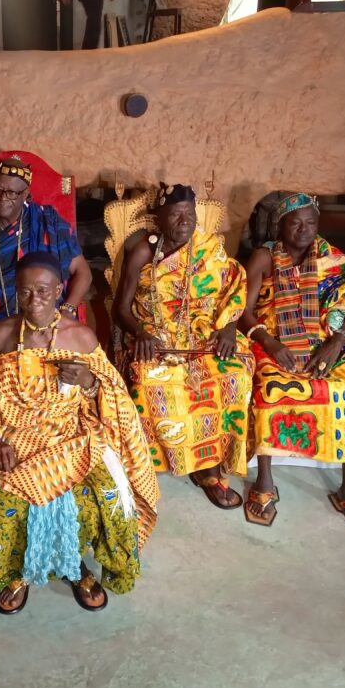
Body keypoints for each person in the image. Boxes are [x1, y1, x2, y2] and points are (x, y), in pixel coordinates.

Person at [0, 252, 159, 615]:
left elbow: (112, 396)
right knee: (5, 502)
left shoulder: (79, 336)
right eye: (25, 291)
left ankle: (74, 564)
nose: (34, 299)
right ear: (15, 292)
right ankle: (17, 572)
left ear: (59, 290)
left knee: (105, 495)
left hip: (71, 436)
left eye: (43, 290)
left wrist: (88, 380)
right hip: (8, 438)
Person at [239, 193, 345, 538]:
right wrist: (271, 343)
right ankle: (265, 481)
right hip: (272, 338)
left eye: (310, 222)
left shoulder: (334, 261)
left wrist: (335, 344)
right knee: (269, 388)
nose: (304, 229)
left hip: (326, 342)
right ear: (280, 226)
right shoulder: (264, 257)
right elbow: (242, 311)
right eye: (295, 223)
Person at [113, 184, 254, 507]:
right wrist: (140, 333)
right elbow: (121, 309)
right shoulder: (144, 252)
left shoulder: (210, 249)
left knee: (233, 376)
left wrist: (229, 329)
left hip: (205, 335)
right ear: (159, 219)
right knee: (150, 385)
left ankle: (211, 468)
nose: (184, 221)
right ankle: (146, 469)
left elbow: (232, 290)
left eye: (189, 214)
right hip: (156, 338)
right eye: (175, 215)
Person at [0, 158, 91, 334]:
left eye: (11, 192)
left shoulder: (49, 222)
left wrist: (67, 311)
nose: (2, 198)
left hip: (50, 323)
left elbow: (83, 272)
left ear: (25, 194)